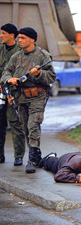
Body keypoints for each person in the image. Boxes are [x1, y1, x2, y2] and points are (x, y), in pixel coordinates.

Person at [1, 27, 56, 173]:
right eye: (18, 38)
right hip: (20, 97)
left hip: (37, 96)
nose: (19, 40)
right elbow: (6, 72)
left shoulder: (43, 56)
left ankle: (31, 159)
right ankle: (36, 154)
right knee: (25, 126)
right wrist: (9, 79)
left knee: (33, 125)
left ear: (32, 39)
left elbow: (51, 77)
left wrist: (38, 75)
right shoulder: (16, 56)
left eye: (23, 38)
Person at [0, 23, 25, 166]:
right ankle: (0, 155)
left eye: (3, 33)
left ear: (11, 35)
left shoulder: (20, 52)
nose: (1, 35)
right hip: (0, 92)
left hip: (14, 94)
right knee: (0, 124)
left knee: (15, 123)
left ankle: (19, 156)